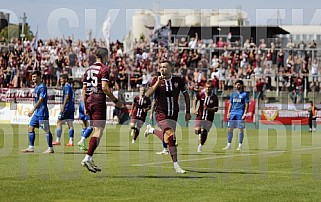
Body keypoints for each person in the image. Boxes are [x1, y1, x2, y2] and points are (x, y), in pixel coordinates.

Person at [144, 60, 191, 174]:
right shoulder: (156, 80)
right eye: (160, 67)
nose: (162, 69)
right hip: (161, 113)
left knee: (169, 139)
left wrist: (188, 112)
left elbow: (186, 96)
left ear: (170, 68)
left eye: (165, 67)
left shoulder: (177, 80)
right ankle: (176, 166)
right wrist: (156, 84)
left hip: (173, 113)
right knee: (170, 137)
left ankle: (152, 130)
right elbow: (147, 94)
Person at [80, 47, 123, 173]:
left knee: (96, 130)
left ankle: (90, 156)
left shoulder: (88, 69)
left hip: (88, 100)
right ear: (105, 56)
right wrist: (115, 100)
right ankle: (87, 157)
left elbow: (83, 90)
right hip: (98, 100)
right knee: (99, 131)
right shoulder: (103, 69)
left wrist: (86, 105)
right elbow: (104, 87)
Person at [21, 70, 54, 154]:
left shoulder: (42, 87)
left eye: (35, 76)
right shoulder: (36, 87)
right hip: (37, 113)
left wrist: (32, 110)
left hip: (42, 112)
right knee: (30, 127)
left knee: (46, 130)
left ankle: (50, 148)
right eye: (32, 77)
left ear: (39, 77)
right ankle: (31, 147)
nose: (33, 78)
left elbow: (41, 100)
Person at [223, 79, 249, 151]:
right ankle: (229, 145)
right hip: (233, 113)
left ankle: (240, 145)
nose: (237, 86)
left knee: (240, 129)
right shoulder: (233, 94)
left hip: (240, 113)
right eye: (236, 84)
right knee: (229, 129)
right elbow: (230, 103)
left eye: (239, 84)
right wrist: (228, 112)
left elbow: (247, 104)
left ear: (241, 85)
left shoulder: (244, 94)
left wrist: (245, 113)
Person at [193, 81, 219, 152]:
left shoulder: (215, 97)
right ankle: (199, 134)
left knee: (204, 132)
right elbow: (195, 100)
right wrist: (195, 109)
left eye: (209, 87)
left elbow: (216, 109)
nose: (208, 89)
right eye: (207, 87)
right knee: (197, 130)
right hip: (200, 115)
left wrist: (208, 109)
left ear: (212, 88)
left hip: (209, 117)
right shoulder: (201, 94)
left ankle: (200, 146)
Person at [52, 74, 75, 146]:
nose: (60, 80)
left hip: (67, 107)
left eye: (62, 79)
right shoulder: (69, 86)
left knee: (59, 122)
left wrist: (63, 106)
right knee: (70, 124)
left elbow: (67, 96)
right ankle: (71, 141)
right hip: (71, 107)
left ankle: (58, 140)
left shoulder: (67, 86)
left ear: (65, 79)